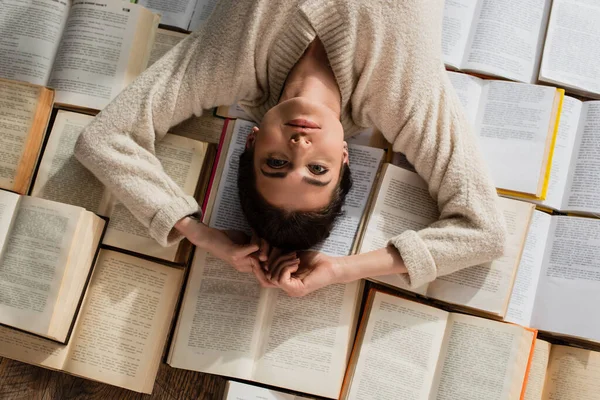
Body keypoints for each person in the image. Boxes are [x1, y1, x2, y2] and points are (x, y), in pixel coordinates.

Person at [74, 0, 506, 297]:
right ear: (343, 158)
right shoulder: (401, 95)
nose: (301, 145)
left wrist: (200, 232)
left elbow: (104, 138)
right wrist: (342, 269)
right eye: (317, 170)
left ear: (252, 139)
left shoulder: (230, 63)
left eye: (277, 163)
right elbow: (482, 230)